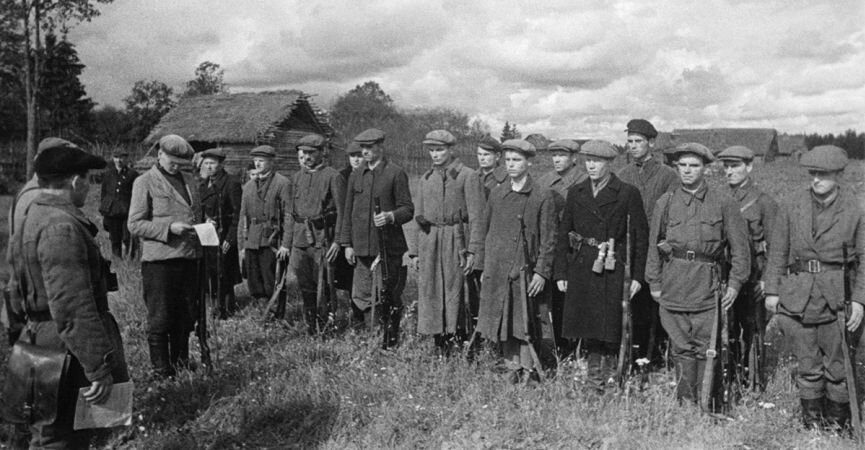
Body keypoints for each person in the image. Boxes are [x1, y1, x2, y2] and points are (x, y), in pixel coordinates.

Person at [7, 141, 129, 448]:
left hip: (41, 340)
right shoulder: (61, 227)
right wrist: (98, 367)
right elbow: (73, 305)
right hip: (65, 351)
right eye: (87, 179)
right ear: (75, 181)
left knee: (49, 434)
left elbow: (15, 290)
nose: (89, 188)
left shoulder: (33, 215)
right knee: (63, 438)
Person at [763, 145, 864, 431]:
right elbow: (778, 251)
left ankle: (837, 425)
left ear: (838, 175)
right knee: (807, 365)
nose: (816, 180)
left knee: (838, 366)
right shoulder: (791, 205)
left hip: (838, 299)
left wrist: (859, 300)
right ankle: (812, 426)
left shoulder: (856, 209)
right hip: (798, 297)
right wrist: (772, 291)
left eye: (824, 174)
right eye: (813, 174)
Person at [645, 142, 750, 404]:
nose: (687, 170)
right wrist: (654, 283)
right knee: (681, 347)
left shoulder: (723, 202)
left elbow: (740, 250)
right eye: (682, 165)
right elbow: (653, 246)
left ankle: (708, 403)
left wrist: (735, 284)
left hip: (707, 287)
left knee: (707, 348)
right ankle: (686, 404)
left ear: (705, 169)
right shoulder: (666, 203)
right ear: (676, 167)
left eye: (694, 165)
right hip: (674, 284)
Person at [554, 140, 649, 393]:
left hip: (613, 265)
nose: (592, 166)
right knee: (589, 325)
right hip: (583, 265)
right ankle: (593, 379)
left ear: (609, 163)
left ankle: (613, 378)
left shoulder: (627, 193)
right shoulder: (576, 192)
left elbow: (640, 237)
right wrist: (561, 271)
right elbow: (563, 233)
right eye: (588, 161)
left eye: (597, 161)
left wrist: (637, 276)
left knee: (611, 324)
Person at [469, 139, 557, 383]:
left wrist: (541, 272)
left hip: (524, 269)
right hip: (498, 268)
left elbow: (549, 239)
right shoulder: (498, 193)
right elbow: (486, 230)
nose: (511, 165)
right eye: (508, 160)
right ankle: (511, 366)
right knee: (503, 318)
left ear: (529, 163)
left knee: (524, 319)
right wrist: (484, 266)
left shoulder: (542, 195)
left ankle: (528, 368)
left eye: (517, 160)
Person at [128, 134, 202, 378]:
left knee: (185, 314)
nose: (176, 167)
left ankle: (180, 361)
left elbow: (194, 213)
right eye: (172, 162)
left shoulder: (189, 181)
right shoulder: (144, 182)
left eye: (181, 163)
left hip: (188, 257)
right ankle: (161, 369)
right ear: (159, 154)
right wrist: (169, 229)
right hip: (160, 262)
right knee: (160, 316)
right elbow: (135, 224)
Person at [338, 128, 413, 348]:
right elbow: (348, 212)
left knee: (387, 294)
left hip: (387, 247)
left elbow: (408, 209)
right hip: (361, 247)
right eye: (363, 147)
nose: (365, 152)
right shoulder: (356, 175)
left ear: (381, 147)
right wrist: (347, 244)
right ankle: (371, 337)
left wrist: (390, 216)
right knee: (362, 294)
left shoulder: (395, 173)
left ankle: (390, 341)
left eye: (369, 147)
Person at [411, 130, 483, 354]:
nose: (435, 154)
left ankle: (461, 341)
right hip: (430, 240)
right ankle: (439, 343)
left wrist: (473, 251)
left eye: (440, 150)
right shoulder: (426, 179)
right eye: (431, 150)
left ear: (451, 150)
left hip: (456, 239)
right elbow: (418, 216)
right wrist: (415, 252)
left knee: (456, 289)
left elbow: (477, 217)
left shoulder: (467, 176)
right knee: (431, 289)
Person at [617, 119, 679, 367]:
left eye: (638, 141)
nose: (633, 146)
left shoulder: (668, 176)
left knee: (658, 303)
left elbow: (673, 214)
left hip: (658, 250)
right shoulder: (623, 175)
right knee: (633, 304)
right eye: (630, 141)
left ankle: (659, 357)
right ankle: (634, 355)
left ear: (651, 143)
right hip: (631, 249)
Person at [716, 145, 778, 391]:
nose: (729, 171)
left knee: (753, 329)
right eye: (726, 166)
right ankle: (731, 377)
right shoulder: (720, 199)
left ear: (749, 167)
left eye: (735, 166)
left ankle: (754, 382)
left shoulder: (763, 202)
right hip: (727, 273)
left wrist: (767, 280)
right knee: (727, 327)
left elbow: (776, 245)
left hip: (754, 275)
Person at [284, 134, 346, 334]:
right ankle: (311, 325)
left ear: (322, 153)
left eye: (311, 153)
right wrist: (287, 243)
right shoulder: (296, 178)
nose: (307, 157)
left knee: (324, 283)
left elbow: (342, 212)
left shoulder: (333, 176)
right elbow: (289, 214)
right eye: (303, 153)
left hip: (323, 239)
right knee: (305, 285)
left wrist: (338, 241)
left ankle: (327, 325)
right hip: (300, 240)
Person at [537, 138, 587, 352]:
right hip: (553, 246)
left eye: (562, 155)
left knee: (578, 299)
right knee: (556, 300)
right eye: (554, 155)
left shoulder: (584, 181)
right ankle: (561, 347)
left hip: (577, 248)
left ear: (574, 158)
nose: (557, 160)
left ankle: (581, 347)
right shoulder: (544, 181)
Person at [237, 145, 292, 313]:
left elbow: (289, 215)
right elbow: (242, 216)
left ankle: (277, 315)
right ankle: (262, 312)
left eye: (262, 160)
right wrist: (242, 245)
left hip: (272, 240)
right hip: (252, 240)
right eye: (256, 161)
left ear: (271, 162)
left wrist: (286, 244)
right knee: (254, 280)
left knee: (272, 280)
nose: (258, 164)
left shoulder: (282, 183)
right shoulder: (248, 187)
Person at [198, 148, 243, 319]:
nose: (209, 167)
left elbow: (238, 214)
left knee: (224, 272)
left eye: (212, 163)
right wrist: (205, 220)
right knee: (209, 271)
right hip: (207, 234)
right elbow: (199, 209)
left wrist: (231, 239)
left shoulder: (231, 183)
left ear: (221, 164)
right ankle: (213, 306)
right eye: (206, 163)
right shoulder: (203, 185)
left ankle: (226, 309)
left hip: (224, 234)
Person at [100, 147, 139, 258]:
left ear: (126, 159)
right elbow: (104, 193)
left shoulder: (133, 174)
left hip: (127, 211)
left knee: (127, 237)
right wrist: (105, 209)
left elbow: (137, 193)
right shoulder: (108, 174)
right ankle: (117, 260)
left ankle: (130, 259)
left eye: (122, 157)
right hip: (112, 211)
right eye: (116, 157)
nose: (119, 160)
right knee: (115, 238)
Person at [475, 135, 508, 201]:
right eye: (479, 154)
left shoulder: (507, 177)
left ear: (497, 156)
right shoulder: (473, 176)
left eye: (486, 154)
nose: (482, 158)